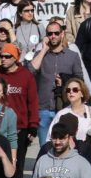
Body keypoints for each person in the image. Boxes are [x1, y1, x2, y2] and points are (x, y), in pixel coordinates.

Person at [0, 43, 39, 178]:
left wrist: (33, 125)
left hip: (19, 127)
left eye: (7, 56)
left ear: (15, 58)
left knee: (16, 163)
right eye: (1, 56)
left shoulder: (26, 75)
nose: (3, 59)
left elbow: (32, 102)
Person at [27, 19, 84, 147]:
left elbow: (80, 80)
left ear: (62, 34)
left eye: (56, 33)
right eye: (50, 33)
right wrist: (43, 50)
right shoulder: (40, 54)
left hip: (65, 107)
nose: (53, 36)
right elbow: (30, 71)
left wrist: (65, 81)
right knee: (45, 146)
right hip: (44, 108)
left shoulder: (73, 56)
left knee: (65, 145)